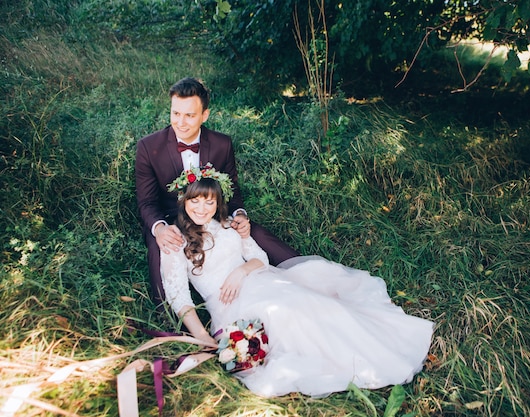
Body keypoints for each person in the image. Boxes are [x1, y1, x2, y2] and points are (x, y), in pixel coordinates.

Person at [160, 164, 435, 398]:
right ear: (184, 200)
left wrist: (241, 271)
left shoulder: (229, 225)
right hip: (229, 304)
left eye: (210, 201)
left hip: (259, 280)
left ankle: (371, 352)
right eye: (196, 201)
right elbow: (178, 296)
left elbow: (259, 257)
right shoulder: (175, 241)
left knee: (309, 300)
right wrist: (201, 335)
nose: (202, 208)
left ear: (218, 203)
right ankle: (346, 362)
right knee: (282, 312)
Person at [135, 77, 298, 304]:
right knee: (159, 246)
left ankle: (303, 272)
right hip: (171, 218)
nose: (181, 122)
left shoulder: (222, 144)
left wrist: (240, 215)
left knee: (254, 233)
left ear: (205, 115)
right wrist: (160, 228)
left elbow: (232, 192)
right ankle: (166, 320)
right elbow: (147, 201)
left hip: (212, 213)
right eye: (176, 113)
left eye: (190, 115)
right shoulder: (149, 146)